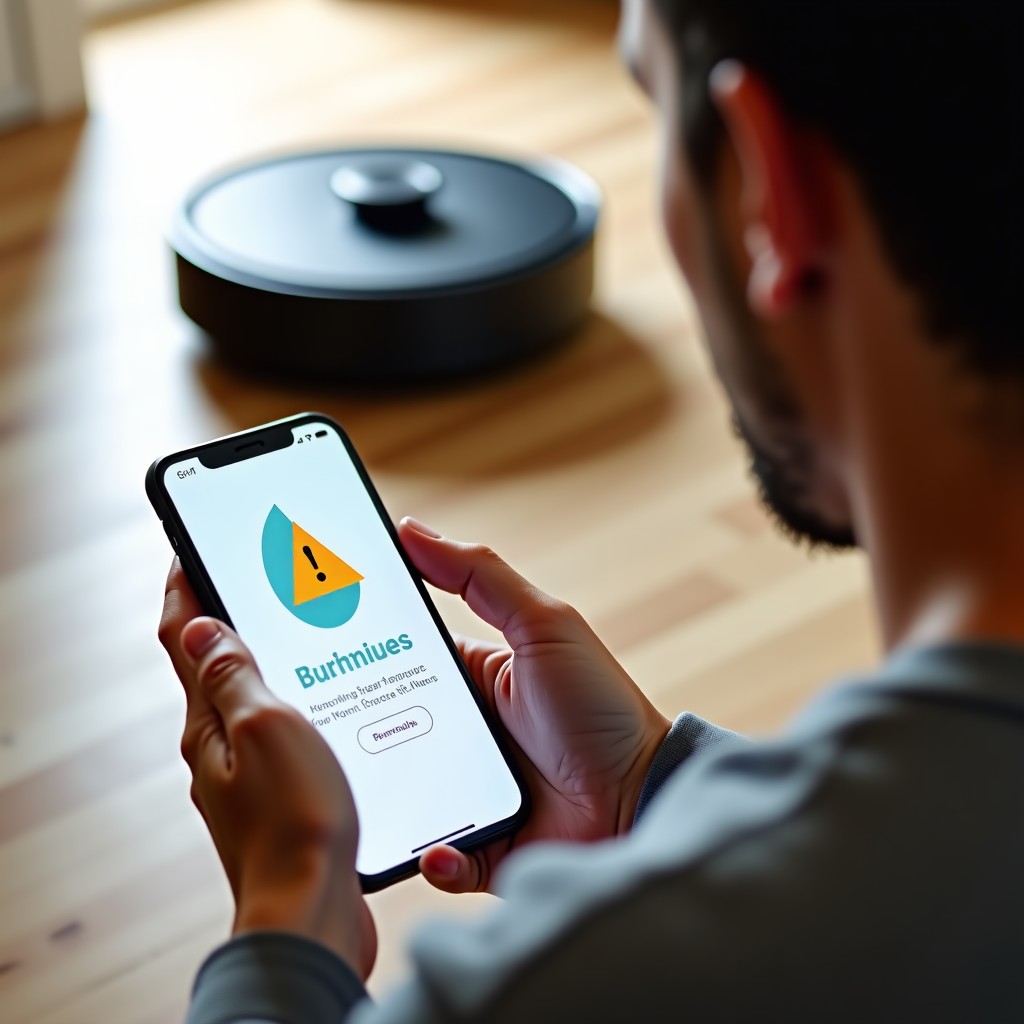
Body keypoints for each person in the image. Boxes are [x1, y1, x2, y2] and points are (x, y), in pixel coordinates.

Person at [158, 1, 1024, 1020]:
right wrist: (650, 790)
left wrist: (287, 899)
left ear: (763, 189)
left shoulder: (569, 987)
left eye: (652, 107)